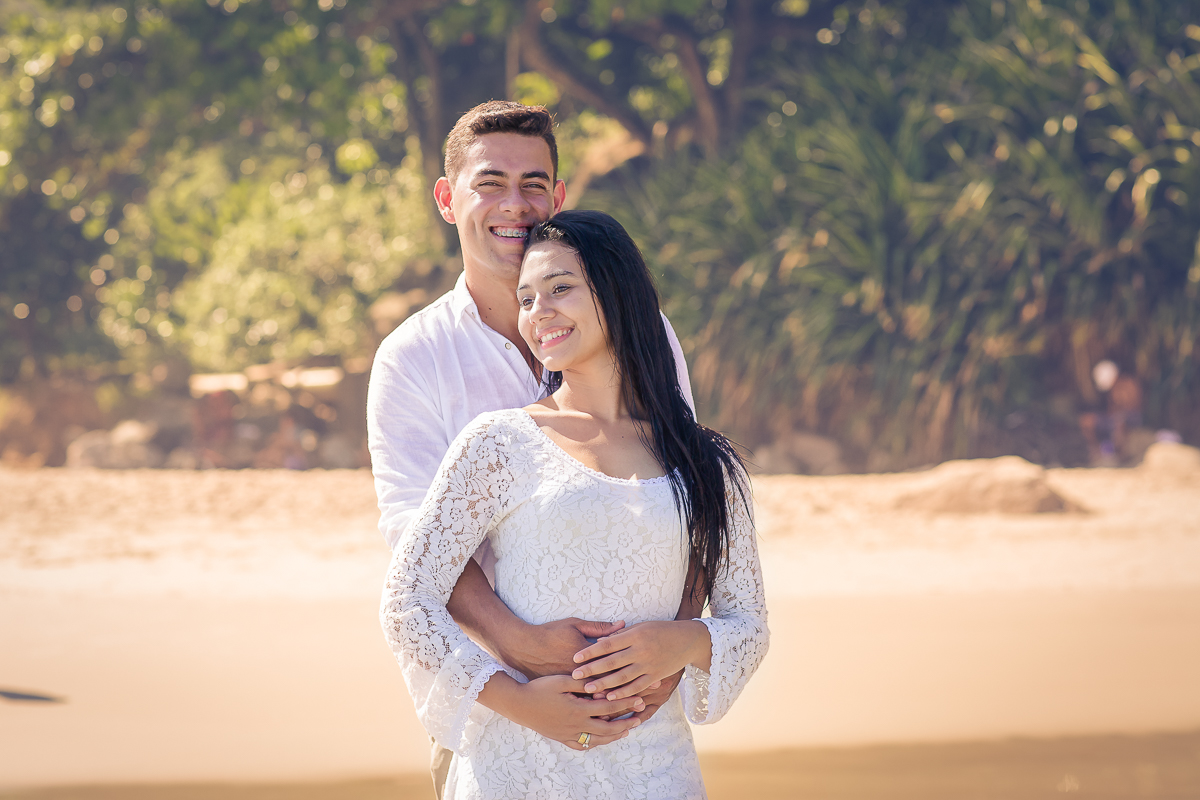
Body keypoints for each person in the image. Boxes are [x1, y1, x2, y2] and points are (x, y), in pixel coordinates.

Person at [366, 101, 700, 797]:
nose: (513, 205)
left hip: (636, 706)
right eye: (490, 183)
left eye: (534, 184)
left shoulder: (645, 332)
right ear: (446, 197)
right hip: (493, 700)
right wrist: (514, 644)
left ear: (560, 196)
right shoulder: (414, 359)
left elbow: (692, 500)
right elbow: (414, 546)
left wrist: (664, 666)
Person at [381, 210, 769, 799]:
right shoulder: (500, 442)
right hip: (517, 766)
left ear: (617, 292)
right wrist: (520, 703)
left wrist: (682, 642)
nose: (539, 313)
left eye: (561, 288)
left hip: (655, 770)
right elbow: (407, 600)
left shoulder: (706, 462)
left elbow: (749, 625)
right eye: (527, 299)